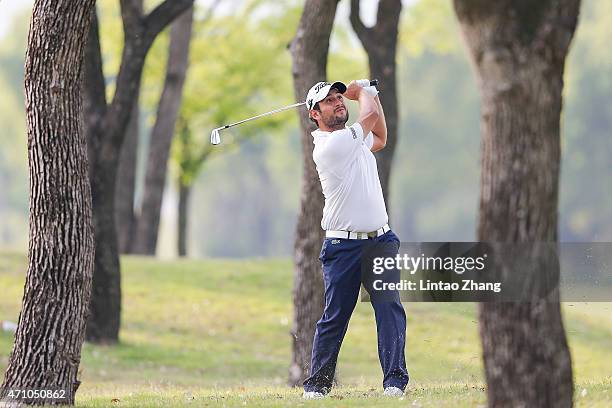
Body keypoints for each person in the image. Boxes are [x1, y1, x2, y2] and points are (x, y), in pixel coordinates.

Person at [302, 80, 409, 399]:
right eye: (329, 101)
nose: (338, 103)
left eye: (339, 97)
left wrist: (368, 96)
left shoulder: (354, 140)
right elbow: (370, 119)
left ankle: (394, 382)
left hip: (381, 239)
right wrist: (364, 92)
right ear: (314, 113)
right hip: (342, 246)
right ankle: (317, 386)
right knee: (335, 315)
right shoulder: (330, 147)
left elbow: (380, 136)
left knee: (389, 309)